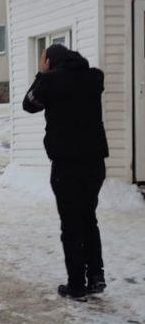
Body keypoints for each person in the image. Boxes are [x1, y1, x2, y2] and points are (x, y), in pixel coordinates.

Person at [23, 43, 109, 299]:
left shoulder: (51, 82)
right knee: (88, 218)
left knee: (71, 225)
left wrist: (42, 74)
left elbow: (28, 104)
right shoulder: (93, 78)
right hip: (95, 163)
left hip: (67, 164)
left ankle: (76, 285)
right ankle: (96, 276)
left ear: (50, 61)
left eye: (43, 59)